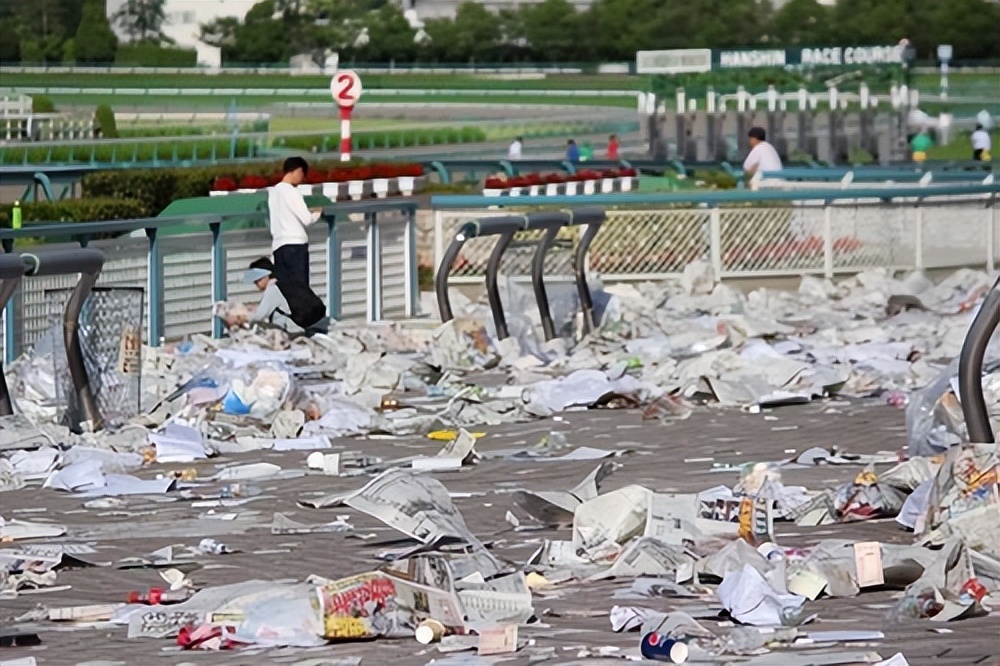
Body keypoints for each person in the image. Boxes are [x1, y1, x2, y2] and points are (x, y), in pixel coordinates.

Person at [225, 257, 328, 335]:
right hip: (310, 323)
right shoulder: (283, 283)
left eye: (257, 281)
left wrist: (238, 318)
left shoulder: (273, 290)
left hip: (296, 331)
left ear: (266, 276)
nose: (256, 284)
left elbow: (259, 316)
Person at [268, 156, 322, 287]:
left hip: (278, 246)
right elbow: (307, 219)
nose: (302, 179)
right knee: (300, 289)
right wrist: (317, 213)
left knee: (285, 289)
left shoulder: (273, 192)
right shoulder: (292, 191)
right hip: (295, 245)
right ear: (298, 171)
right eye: (303, 174)